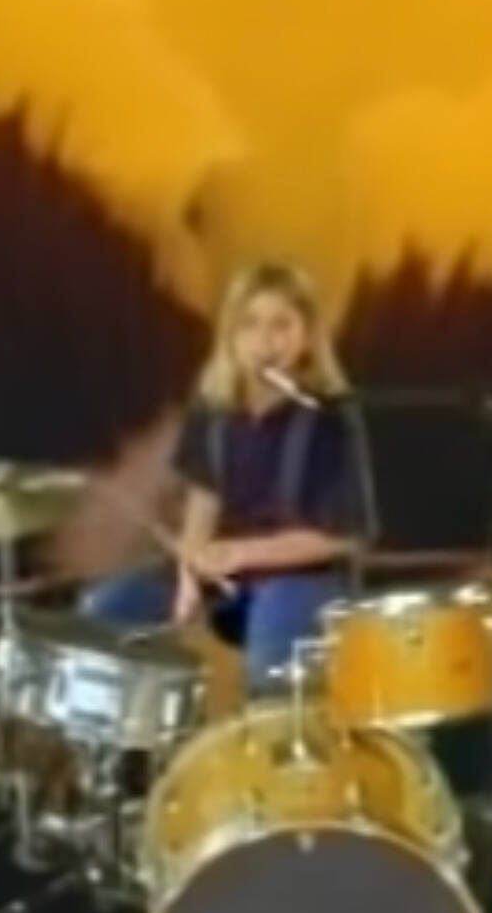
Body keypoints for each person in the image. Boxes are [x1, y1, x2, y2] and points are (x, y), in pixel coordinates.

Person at [82, 260, 374, 696]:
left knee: (273, 658)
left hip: (301, 576)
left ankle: (274, 727)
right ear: (230, 336)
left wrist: (242, 554)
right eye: (250, 325)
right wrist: (189, 575)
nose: (265, 341)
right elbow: (203, 499)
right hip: (221, 578)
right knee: (105, 611)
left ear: (307, 336)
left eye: (281, 326)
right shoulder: (213, 409)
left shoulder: (330, 417)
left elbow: (345, 536)